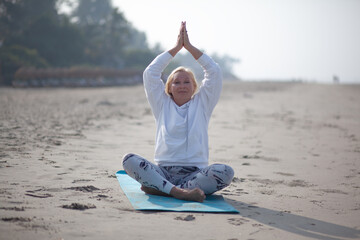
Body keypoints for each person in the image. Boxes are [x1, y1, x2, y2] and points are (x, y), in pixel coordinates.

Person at [122, 21, 234, 203]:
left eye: (186, 82)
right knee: (128, 160)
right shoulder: (161, 103)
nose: (182, 86)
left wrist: (189, 48)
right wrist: (176, 48)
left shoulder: (203, 103)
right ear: (169, 88)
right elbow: (151, 73)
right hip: (163, 172)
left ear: (194, 86)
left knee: (226, 172)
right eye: (177, 82)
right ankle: (179, 192)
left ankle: (163, 189)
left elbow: (213, 71)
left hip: (195, 175)